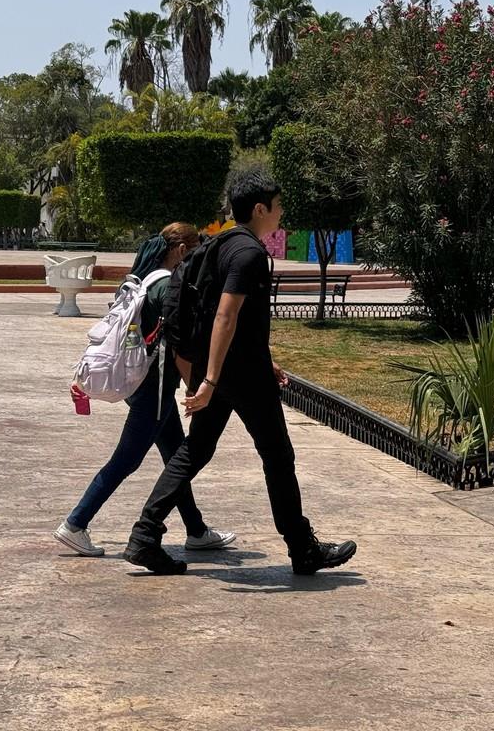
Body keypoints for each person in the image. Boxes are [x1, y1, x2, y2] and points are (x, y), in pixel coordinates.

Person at [124, 171, 357, 576]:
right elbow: (225, 316)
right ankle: (302, 549)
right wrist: (211, 381)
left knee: (195, 451)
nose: (281, 213)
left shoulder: (220, 245)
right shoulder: (247, 253)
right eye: (278, 206)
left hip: (231, 369)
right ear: (260, 208)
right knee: (278, 456)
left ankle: (145, 536)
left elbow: (238, 323)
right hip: (239, 376)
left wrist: (239, 368)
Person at [56, 223, 239, 557]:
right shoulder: (167, 286)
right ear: (182, 251)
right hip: (152, 391)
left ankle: (196, 530)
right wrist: (197, 386)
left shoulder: (141, 279)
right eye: (196, 250)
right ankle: (75, 523)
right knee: (126, 460)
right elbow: (179, 346)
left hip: (141, 385)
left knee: (176, 457)